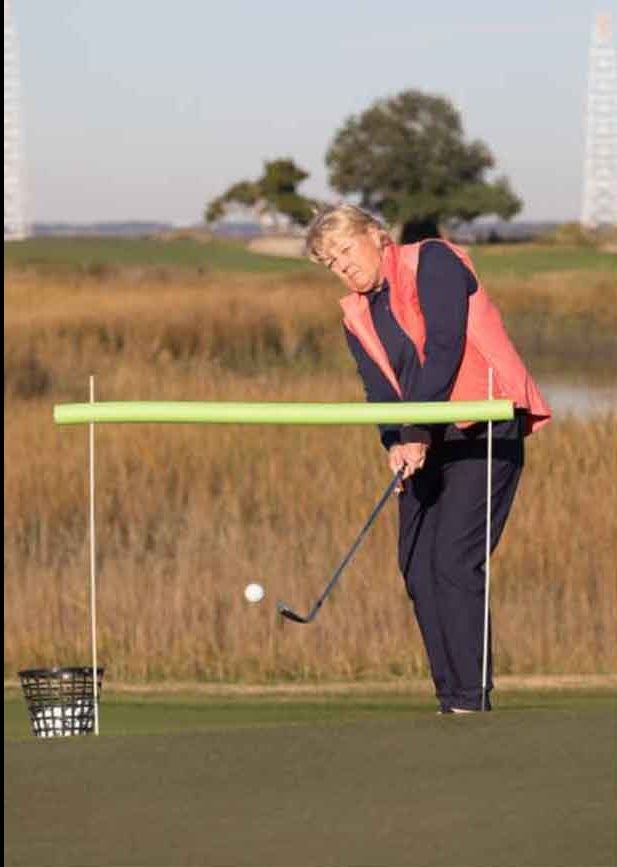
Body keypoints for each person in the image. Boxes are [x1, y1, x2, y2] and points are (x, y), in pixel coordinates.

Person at [305, 204, 551, 713]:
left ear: (377, 236)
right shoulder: (356, 314)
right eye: (331, 262)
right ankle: (450, 699)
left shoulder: (433, 261)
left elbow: (444, 347)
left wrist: (416, 430)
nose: (342, 266)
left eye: (346, 250)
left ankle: (470, 701)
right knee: (417, 566)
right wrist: (395, 440)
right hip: (425, 438)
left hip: (484, 425)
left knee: (454, 561)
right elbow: (378, 389)